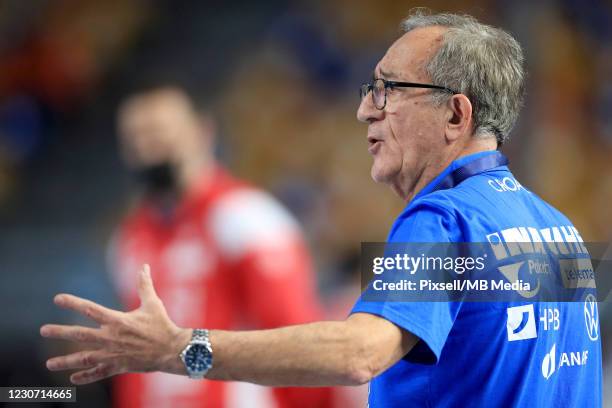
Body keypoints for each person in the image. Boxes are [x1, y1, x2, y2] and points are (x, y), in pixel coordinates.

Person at [41, 11, 602, 407]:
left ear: (456, 115)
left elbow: (359, 354)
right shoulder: (561, 230)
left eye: (386, 91)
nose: (363, 111)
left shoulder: (442, 221)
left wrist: (179, 349)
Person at [104, 85, 334, 407]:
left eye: (159, 133)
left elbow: (297, 339)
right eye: (135, 138)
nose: (148, 148)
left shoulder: (247, 218)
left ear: (203, 132)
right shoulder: (127, 239)